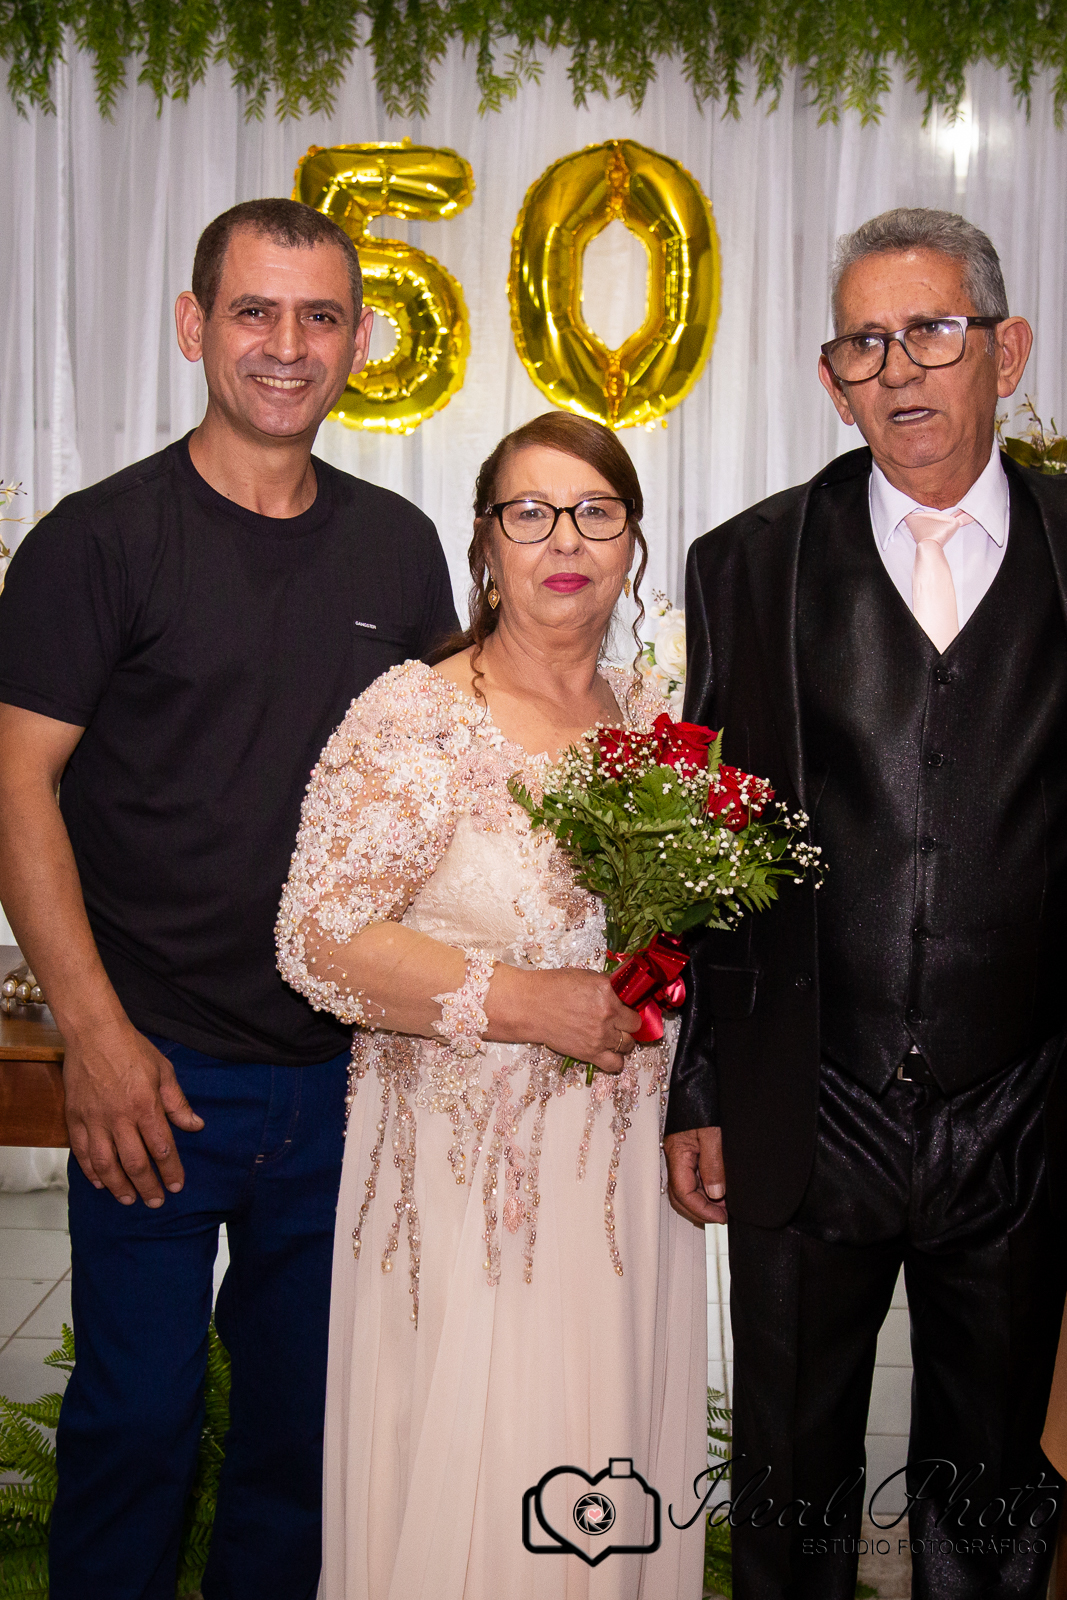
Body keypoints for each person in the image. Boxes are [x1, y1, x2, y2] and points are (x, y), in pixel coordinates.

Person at [0, 198, 457, 1600]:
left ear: (359, 343)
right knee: (134, 1423)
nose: (286, 345)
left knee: (303, 1440)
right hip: (155, 1072)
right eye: (254, 311)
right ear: (195, 325)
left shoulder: (398, 547)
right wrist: (94, 1038)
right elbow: (17, 786)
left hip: (344, 1077)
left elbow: (445, 789)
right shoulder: (98, 541)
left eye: (320, 316)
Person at [664, 207, 1067, 1600]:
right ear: (831, 380)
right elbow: (711, 848)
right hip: (808, 1098)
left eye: (929, 333)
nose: (896, 370)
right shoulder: (747, 563)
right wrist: (699, 1084)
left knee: (990, 1487)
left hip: (1019, 1108)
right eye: (861, 343)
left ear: (1003, 351)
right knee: (789, 1483)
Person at [277, 411, 708, 1600]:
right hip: (467, 1189)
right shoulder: (414, 716)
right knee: (488, 1479)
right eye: (530, 512)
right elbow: (316, 940)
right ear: (484, 543)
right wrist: (522, 1002)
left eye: (594, 512)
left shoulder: (656, 721)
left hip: (624, 1184)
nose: (563, 538)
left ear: (631, 540)